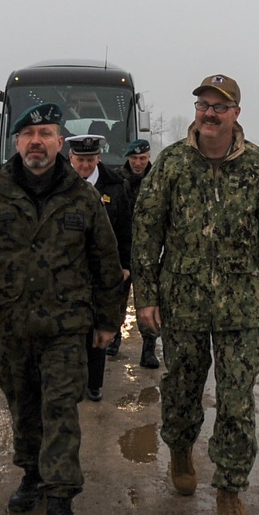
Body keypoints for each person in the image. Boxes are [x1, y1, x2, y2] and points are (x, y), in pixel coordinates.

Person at [132, 75, 259, 515]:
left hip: (242, 305)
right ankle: (181, 448)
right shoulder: (172, 165)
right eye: (203, 105)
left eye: (219, 107)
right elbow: (146, 234)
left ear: (236, 115)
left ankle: (229, 490)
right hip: (181, 302)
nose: (209, 113)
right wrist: (145, 296)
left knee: (236, 402)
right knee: (181, 389)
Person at [0, 103, 125, 515]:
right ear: (15, 143)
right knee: (23, 407)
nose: (36, 142)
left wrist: (107, 320)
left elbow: (106, 259)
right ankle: (31, 475)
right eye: (28, 134)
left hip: (67, 328)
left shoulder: (81, 195)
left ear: (58, 142)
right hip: (13, 326)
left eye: (45, 133)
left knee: (61, 410)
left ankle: (61, 506)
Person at [67, 134, 132, 401]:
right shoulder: (59, 185)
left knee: (98, 326)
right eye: (80, 160)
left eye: (90, 160)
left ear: (99, 158)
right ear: (70, 158)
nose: (85, 166)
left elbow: (126, 228)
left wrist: (125, 264)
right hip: (67, 269)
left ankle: (94, 382)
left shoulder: (115, 187)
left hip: (102, 269)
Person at [119, 138, 160, 368]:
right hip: (123, 248)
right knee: (117, 298)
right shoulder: (117, 180)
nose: (138, 163)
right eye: (134, 158)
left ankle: (149, 349)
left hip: (150, 252)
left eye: (142, 158)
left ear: (148, 157)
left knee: (150, 300)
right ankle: (114, 338)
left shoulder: (157, 180)